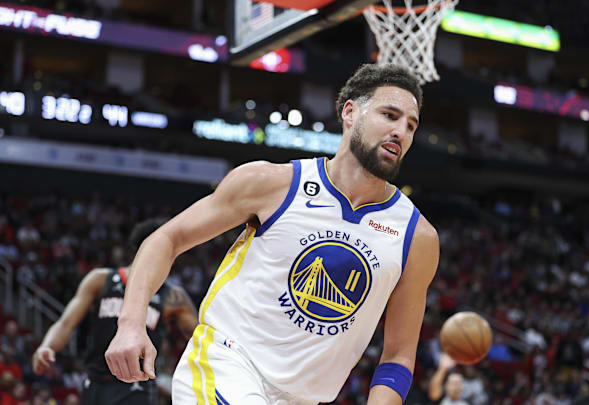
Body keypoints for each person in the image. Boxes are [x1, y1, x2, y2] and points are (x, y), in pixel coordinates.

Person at [105, 63, 439, 405]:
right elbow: (167, 238)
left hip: (305, 398)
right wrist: (131, 323)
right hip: (229, 363)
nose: (401, 131)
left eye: (410, 125)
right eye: (389, 115)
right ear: (350, 113)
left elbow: (398, 357)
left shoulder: (417, 236)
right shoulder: (274, 183)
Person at [32, 218, 198, 405]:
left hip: (137, 386)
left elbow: (201, 338)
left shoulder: (174, 296)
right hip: (95, 381)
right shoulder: (101, 279)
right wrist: (47, 346)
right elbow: (66, 323)